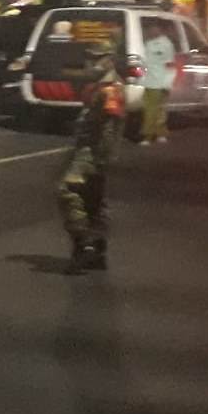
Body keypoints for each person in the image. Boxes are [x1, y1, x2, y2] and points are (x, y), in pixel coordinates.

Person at [58, 40, 125, 275]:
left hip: (93, 151)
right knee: (93, 199)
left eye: (97, 58)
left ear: (110, 59)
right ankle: (97, 250)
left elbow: (109, 128)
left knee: (67, 190)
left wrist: (101, 158)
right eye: (90, 57)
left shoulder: (110, 90)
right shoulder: (99, 85)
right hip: (90, 148)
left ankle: (84, 244)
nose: (92, 62)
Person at [140, 23, 174, 146]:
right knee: (151, 110)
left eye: (152, 27)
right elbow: (144, 63)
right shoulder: (148, 44)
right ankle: (158, 134)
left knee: (156, 110)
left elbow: (170, 65)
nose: (150, 30)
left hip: (160, 82)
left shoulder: (166, 44)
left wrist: (167, 83)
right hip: (149, 82)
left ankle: (150, 135)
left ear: (159, 29)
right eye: (148, 28)